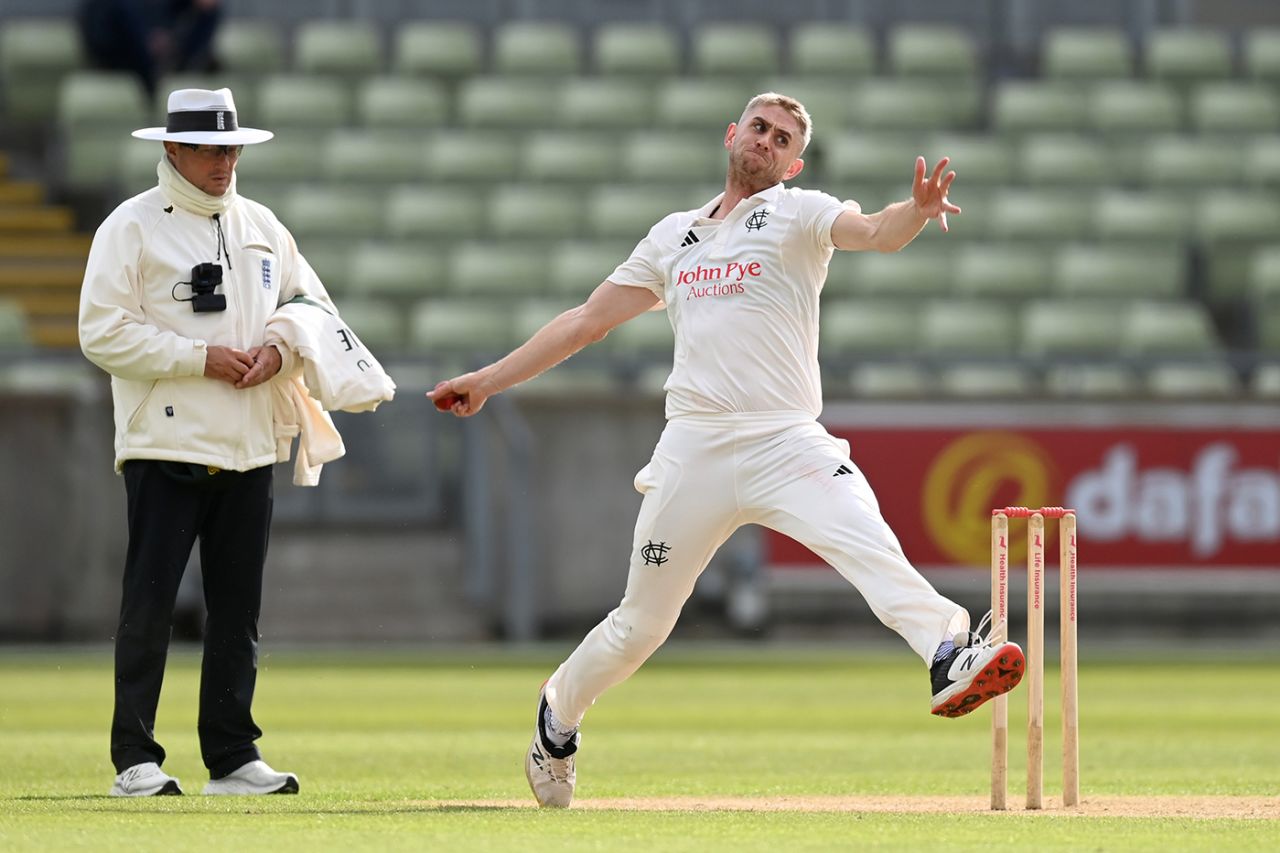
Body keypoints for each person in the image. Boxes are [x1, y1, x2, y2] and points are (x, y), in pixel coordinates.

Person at [428, 92, 1027, 809]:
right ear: (732, 134)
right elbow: (587, 321)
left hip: (787, 439)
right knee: (638, 628)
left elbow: (874, 231)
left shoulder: (801, 212)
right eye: (760, 128)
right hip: (696, 449)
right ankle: (557, 719)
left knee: (868, 539)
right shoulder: (672, 237)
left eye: (784, 139)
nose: (768, 142)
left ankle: (947, 652)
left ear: (794, 160)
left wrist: (917, 212)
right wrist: (490, 381)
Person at [79, 87, 336, 797]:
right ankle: (135, 756)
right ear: (171, 149)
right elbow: (99, 330)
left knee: (237, 607)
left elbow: (311, 305)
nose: (224, 161)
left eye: (231, 148)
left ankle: (232, 756)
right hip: (165, 443)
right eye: (208, 148)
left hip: (250, 442)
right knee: (150, 602)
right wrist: (200, 359)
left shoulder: (261, 224)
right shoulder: (129, 227)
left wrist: (281, 352)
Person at [78, 0, 223, 102]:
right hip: (117, 56)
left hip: (168, 60)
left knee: (208, 7)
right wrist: (147, 40)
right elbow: (97, 30)